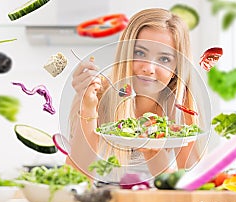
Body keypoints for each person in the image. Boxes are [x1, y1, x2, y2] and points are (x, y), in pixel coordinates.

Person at [66, 8, 209, 182]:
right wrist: (88, 106)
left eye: (164, 59)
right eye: (140, 53)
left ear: (176, 69)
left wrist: (151, 150)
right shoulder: (97, 92)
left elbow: (194, 185)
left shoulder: (181, 105)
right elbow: (76, 180)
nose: (148, 68)